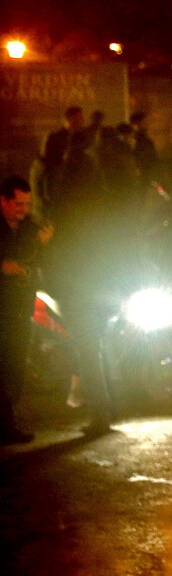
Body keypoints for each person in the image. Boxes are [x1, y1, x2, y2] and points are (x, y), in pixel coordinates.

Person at [1, 177, 54, 443]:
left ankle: (7, 424)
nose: (23, 209)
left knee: (14, 367)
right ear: (4, 200)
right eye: (18, 204)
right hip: (4, 308)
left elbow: (33, 258)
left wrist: (43, 244)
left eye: (27, 204)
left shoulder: (28, 227)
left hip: (20, 308)